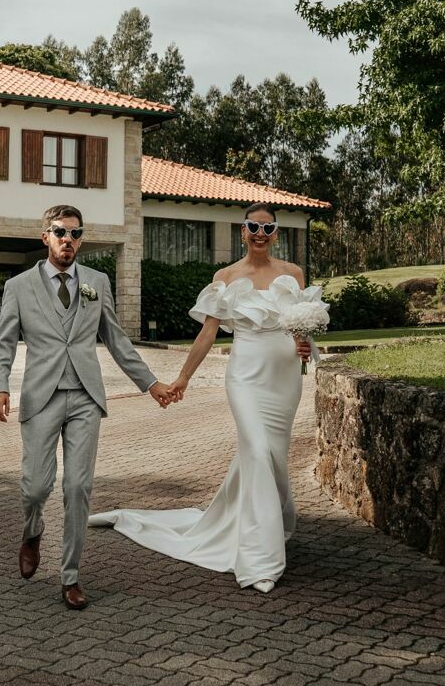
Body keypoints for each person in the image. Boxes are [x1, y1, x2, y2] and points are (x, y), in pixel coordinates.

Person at [90, 204, 318, 593]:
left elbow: (303, 326)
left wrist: (305, 344)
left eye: (268, 227)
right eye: (252, 226)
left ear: (276, 233)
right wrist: (182, 377)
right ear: (242, 232)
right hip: (245, 376)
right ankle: (261, 559)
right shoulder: (225, 277)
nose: (260, 233)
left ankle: (268, 523)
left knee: (270, 456)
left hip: (284, 381)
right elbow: (208, 334)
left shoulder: (293, 274)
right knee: (258, 449)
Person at [0, 205, 176, 610]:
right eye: (59, 232)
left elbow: (117, 340)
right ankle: (32, 531)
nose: (67, 240)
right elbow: (3, 343)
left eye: (74, 233)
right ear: (46, 238)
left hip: (86, 396)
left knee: (78, 487)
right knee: (35, 486)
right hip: (42, 396)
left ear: (80, 239)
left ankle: (70, 576)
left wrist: (151, 383)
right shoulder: (19, 286)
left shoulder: (97, 282)